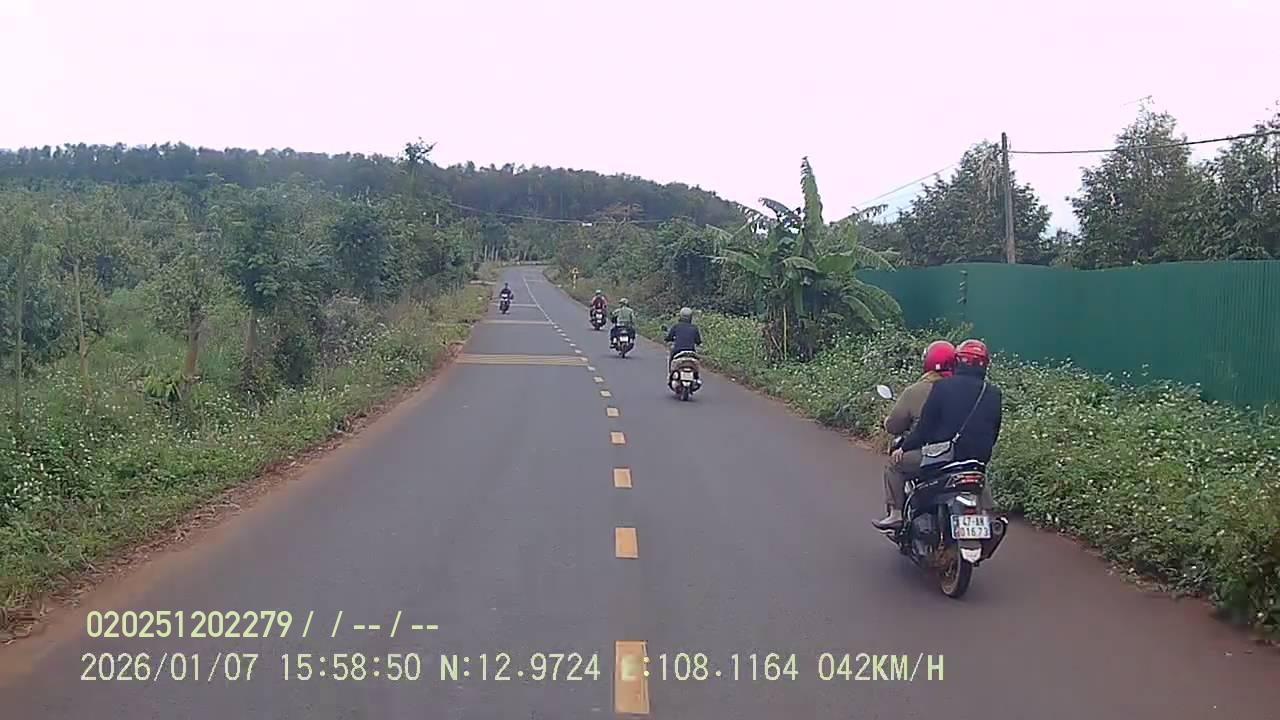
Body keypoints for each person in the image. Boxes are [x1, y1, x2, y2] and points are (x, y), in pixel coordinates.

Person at [875, 339, 1002, 530]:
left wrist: (905, 447)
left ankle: (896, 514)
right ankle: (988, 514)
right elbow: (994, 429)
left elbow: (925, 427)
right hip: (977, 458)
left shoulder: (942, 388)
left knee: (895, 465)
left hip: (945, 456)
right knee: (976, 472)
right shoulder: (992, 392)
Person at [872, 340, 955, 530]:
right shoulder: (960, 390)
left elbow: (895, 425)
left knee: (894, 465)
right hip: (958, 453)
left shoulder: (916, 391)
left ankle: (896, 514)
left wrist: (890, 427)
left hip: (929, 454)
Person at [663, 307, 702, 371]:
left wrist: (667, 339)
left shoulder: (676, 326)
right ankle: (696, 376)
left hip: (677, 351)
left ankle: (671, 373)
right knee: (696, 366)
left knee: (671, 358)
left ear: (680, 316)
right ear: (690, 317)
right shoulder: (694, 328)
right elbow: (698, 341)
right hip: (691, 352)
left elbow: (669, 338)